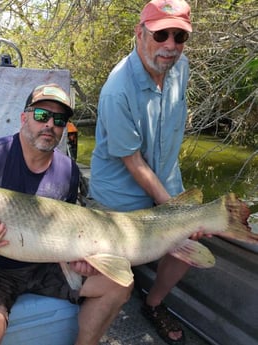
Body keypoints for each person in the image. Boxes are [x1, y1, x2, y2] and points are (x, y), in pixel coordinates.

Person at [0, 83, 132, 345]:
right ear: (24, 117)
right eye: (41, 115)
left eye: (59, 120)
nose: (50, 124)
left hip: (48, 265)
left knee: (119, 285)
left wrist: (81, 258)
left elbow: (71, 228)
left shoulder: (69, 171)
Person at [89, 1, 196, 344]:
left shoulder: (181, 68)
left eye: (179, 36)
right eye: (161, 34)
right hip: (122, 190)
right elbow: (132, 162)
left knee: (189, 244)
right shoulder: (117, 91)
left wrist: (177, 210)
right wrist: (171, 207)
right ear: (139, 33)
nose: (170, 45)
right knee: (118, 275)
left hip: (165, 176)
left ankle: (154, 304)